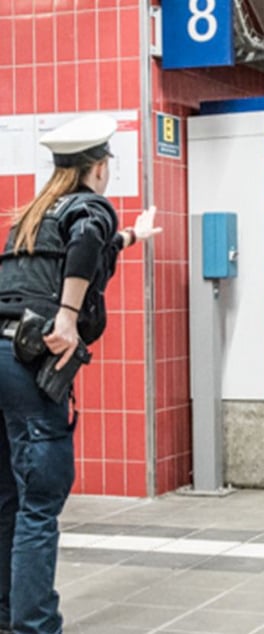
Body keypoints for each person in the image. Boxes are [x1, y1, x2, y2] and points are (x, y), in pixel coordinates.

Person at [0, 114, 161, 634]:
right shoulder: (92, 206)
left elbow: (85, 247)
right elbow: (90, 240)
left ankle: (7, 616)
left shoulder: (33, 212)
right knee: (42, 498)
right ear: (98, 168)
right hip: (29, 362)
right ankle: (35, 625)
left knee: (8, 496)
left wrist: (135, 233)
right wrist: (67, 318)